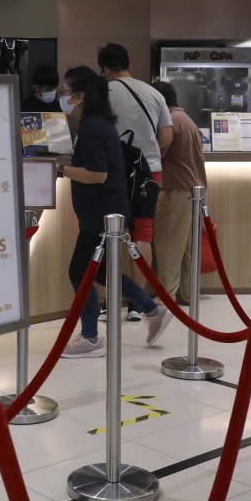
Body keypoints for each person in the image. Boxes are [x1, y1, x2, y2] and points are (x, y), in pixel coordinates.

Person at [58, 66, 172, 358]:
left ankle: (91, 337)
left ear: (80, 96)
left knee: (79, 272)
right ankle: (152, 309)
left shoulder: (93, 127)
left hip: (101, 214)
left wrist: (61, 170)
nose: (63, 96)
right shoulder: (99, 123)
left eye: (66, 91)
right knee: (103, 273)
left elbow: (97, 174)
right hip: (105, 212)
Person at [98, 43, 173, 320]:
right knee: (143, 235)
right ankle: (137, 306)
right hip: (148, 173)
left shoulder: (102, 93)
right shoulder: (153, 93)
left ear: (104, 69)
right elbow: (166, 137)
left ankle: (111, 301)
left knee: (109, 233)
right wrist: (147, 157)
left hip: (113, 173)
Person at [152, 81, 208, 306]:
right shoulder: (187, 120)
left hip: (176, 189)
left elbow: (158, 151)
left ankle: (166, 297)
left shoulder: (171, 122)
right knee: (186, 249)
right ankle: (187, 292)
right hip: (194, 191)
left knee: (167, 245)